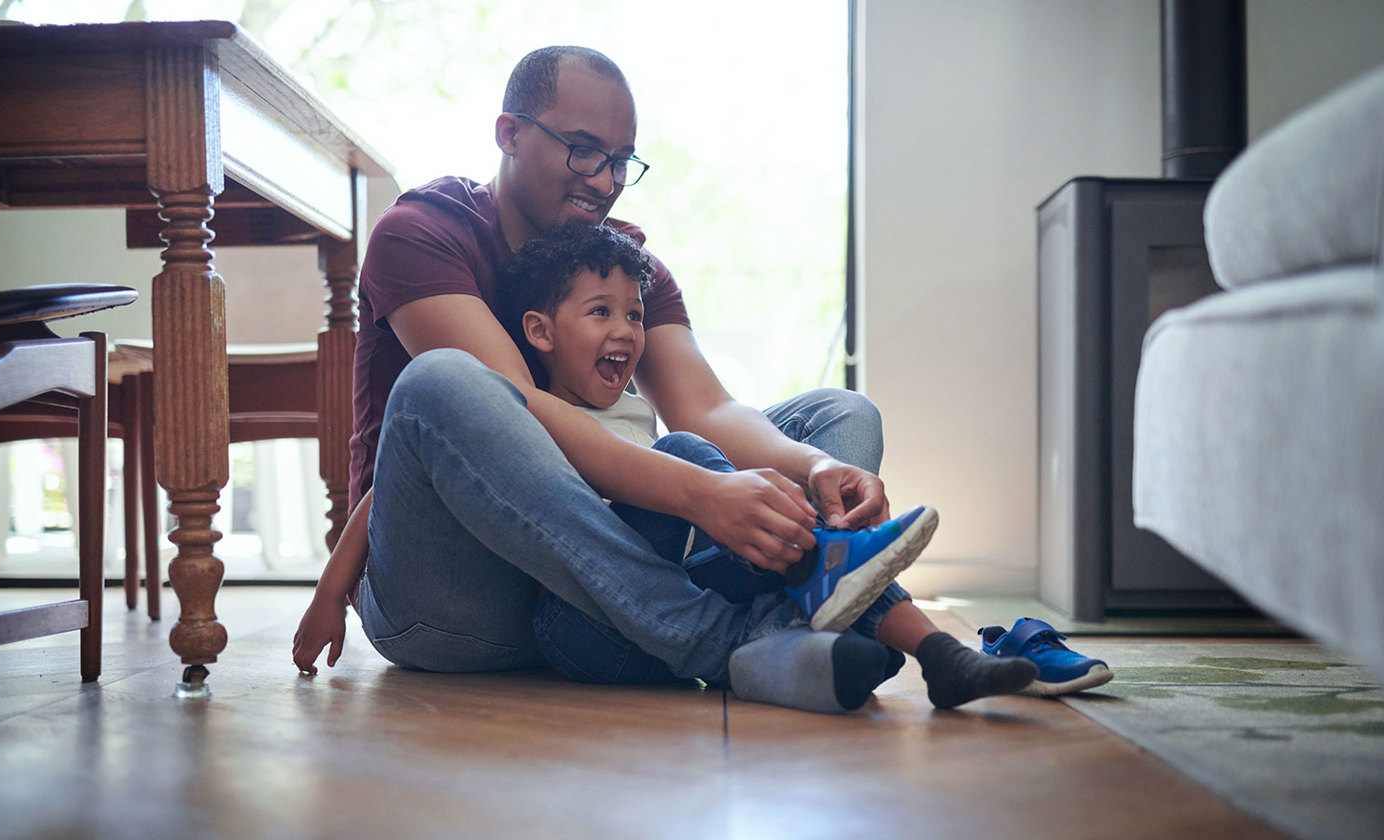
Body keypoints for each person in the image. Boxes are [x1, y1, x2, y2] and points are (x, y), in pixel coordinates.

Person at [293, 45, 1036, 712]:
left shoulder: (623, 265)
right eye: (583, 151)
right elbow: (522, 413)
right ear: (509, 133)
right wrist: (705, 495)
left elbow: (705, 409)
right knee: (442, 383)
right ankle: (738, 644)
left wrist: (818, 467)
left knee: (838, 416)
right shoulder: (422, 232)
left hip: (601, 603)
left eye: (621, 160)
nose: (606, 181)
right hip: (456, 602)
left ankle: (798, 632)